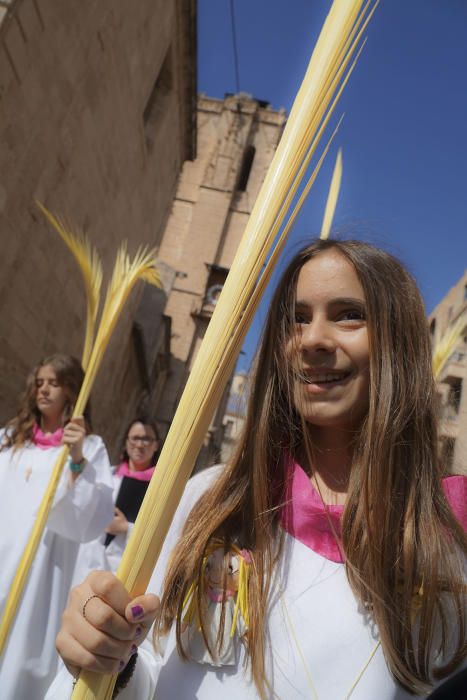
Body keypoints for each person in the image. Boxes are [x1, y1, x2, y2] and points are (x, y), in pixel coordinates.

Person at [46, 241, 467, 700]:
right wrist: (108, 654)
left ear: (400, 339)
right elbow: (151, 663)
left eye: (348, 314)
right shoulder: (214, 499)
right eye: (297, 318)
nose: (312, 339)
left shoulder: (444, 545)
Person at [0, 353, 114, 699]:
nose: (43, 389)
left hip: (41, 570)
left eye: (54, 383)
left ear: (72, 391)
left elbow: (84, 523)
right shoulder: (9, 438)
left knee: (18, 654)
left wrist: (76, 460)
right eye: (39, 383)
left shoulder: (90, 448)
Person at [73, 418, 160, 578]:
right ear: (126, 442)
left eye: (147, 439)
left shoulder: (160, 489)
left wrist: (128, 529)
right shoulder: (108, 476)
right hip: (88, 562)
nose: (140, 444)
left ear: (156, 445)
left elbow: (163, 534)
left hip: (125, 568)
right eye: (135, 438)